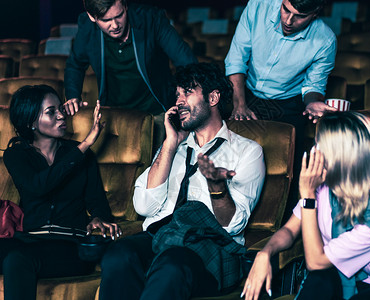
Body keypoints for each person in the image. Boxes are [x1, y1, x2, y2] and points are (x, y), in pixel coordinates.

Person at [99, 63, 266, 300]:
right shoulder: (173, 148)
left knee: (172, 263)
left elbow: (233, 226)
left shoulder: (247, 151)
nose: (179, 101)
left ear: (213, 97)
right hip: (161, 238)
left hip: (208, 247)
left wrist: (217, 189)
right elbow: (144, 207)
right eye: (177, 94)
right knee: (119, 254)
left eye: (187, 92)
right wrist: (169, 144)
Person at [242, 112, 370, 300]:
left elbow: (316, 261)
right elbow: (290, 230)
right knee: (319, 281)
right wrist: (265, 253)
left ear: (344, 157)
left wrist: (308, 196)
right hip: (345, 277)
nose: (314, 150)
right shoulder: (325, 185)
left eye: (320, 145)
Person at [0, 85, 121, 300]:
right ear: (31, 122)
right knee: (17, 254)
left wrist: (97, 218)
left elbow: (97, 203)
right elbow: (38, 186)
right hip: (29, 240)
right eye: (51, 112)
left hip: (69, 246)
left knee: (17, 259)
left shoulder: (82, 154)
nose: (61, 115)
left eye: (60, 109)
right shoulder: (16, 155)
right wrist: (83, 147)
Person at [63, 0, 198, 152]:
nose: (115, 25)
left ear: (125, 6)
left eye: (119, 16)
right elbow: (75, 64)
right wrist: (73, 96)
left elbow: (187, 62)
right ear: (92, 17)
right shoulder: (87, 26)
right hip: (116, 115)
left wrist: (184, 94)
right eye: (106, 20)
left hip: (157, 112)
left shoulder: (151, 18)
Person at [225, 0, 337, 123]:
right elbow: (236, 59)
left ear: (315, 13)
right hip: (244, 92)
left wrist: (313, 102)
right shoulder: (258, 5)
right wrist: (239, 104)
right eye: (286, 9)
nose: (288, 21)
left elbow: (313, 85)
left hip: (288, 104)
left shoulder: (326, 40)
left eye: (300, 16)